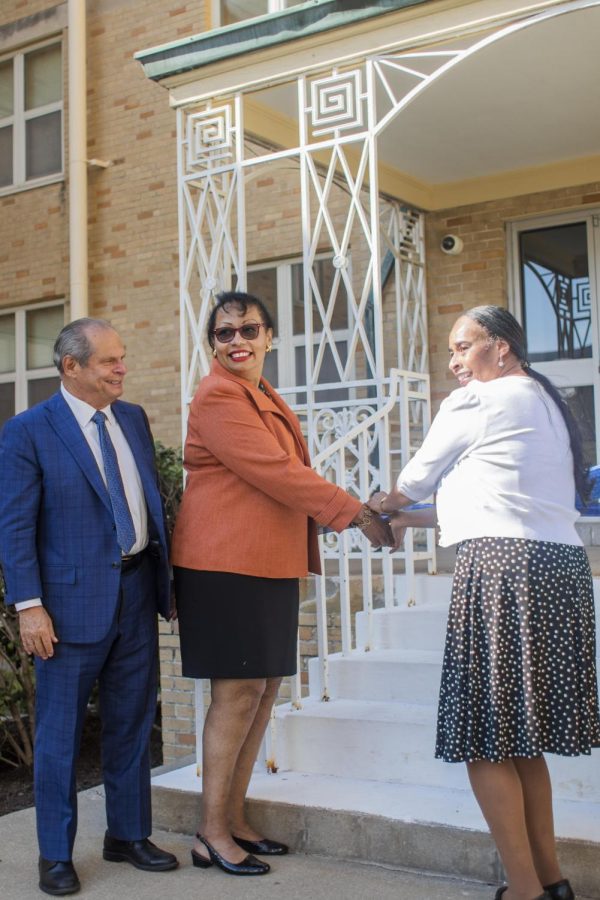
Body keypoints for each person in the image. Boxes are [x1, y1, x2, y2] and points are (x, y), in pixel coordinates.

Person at [369, 306, 600, 900]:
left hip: (504, 569)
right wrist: (407, 520)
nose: (453, 361)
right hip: (558, 568)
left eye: (463, 346)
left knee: (487, 738)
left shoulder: (478, 401)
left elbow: (415, 479)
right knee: (522, 740)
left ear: (499, 348)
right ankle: (552, 883)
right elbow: (487, 498)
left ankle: (522, 892)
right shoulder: (545, 403)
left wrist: (383, 507)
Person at [171, 290, 392, 877]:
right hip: (225, 566)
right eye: (224, 333)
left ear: (270, 336)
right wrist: (356, 514)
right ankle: (211, 832)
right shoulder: (217, 395)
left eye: (248, 330)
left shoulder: (263, 394)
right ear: (213, 344)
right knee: (236, 695)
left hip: (266, 562)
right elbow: (276, 472)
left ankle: (234, 818)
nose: (237, 341)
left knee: (263, 691)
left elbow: (290, 473)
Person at [0, 318, 179, 896]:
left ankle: (127, 835)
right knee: (60, 734)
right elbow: (16, 526)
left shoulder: (132, 418)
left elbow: (147, 502)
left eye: (121, 358)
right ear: (71, 367)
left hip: (134, 592)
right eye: (109, 361)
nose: (121, 369)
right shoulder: (28, 431)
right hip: (65, 606)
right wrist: (29, 607)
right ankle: (56, 853)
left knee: (130, 723)